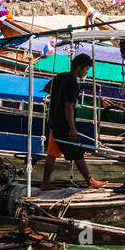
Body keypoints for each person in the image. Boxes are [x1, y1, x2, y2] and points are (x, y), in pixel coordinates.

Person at [40, 53, 105, 192]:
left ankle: (45, 183)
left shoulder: (60, 76)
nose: (86, 72)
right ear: (79, 68)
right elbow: (68, 106)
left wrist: (57, 96)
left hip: (53, 120)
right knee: (76, 151)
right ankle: (90, 181)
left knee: (51, 153)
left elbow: (46, 89)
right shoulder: (73, 83)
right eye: (86, 69)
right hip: (63, 124)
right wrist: (72, 128)